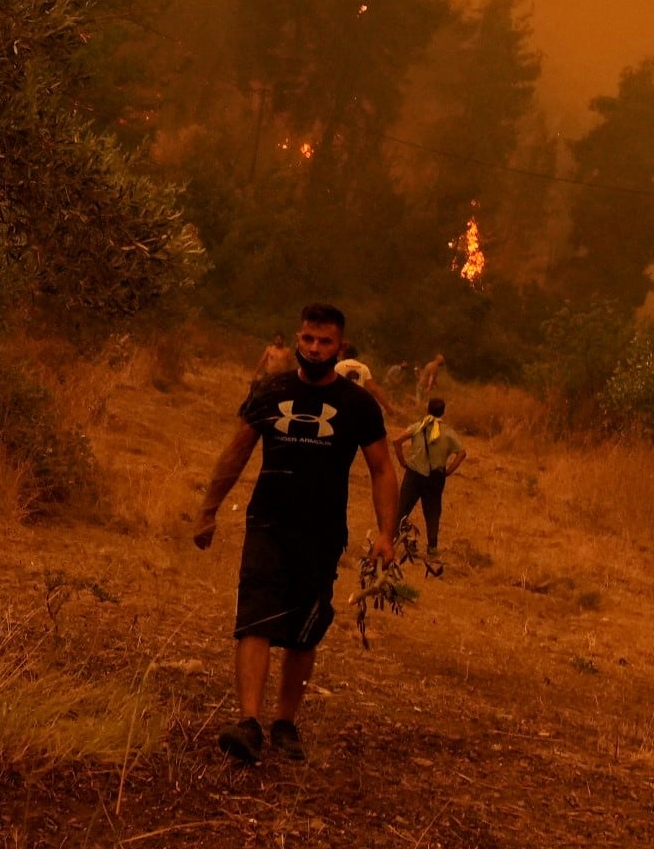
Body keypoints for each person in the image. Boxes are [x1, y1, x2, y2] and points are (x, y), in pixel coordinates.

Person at [188, 301, 401, 765]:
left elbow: (383, 470)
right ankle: (248, 723)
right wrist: (208, 510)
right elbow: (236, 452)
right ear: (297, 337)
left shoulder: (358, 404)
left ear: (340, 347)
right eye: (308, 338)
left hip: (323, 532)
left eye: (325, 342)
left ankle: (285, 722)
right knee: (255, 618)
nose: (314, 348)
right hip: (267, 522)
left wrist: (387, 533)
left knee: (305, 632)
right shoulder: (270, 390)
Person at [395, 394, 466, 563]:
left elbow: (396, 441)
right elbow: (462, 453)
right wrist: (448, 471)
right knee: (433, 512)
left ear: (427, 409)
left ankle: (398, 541)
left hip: (414, 474)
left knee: (403, 508)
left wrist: (402, 461)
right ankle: (432, 548)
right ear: (443, 412)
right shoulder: (448, 433)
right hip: (436, 477)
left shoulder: (418, 427)